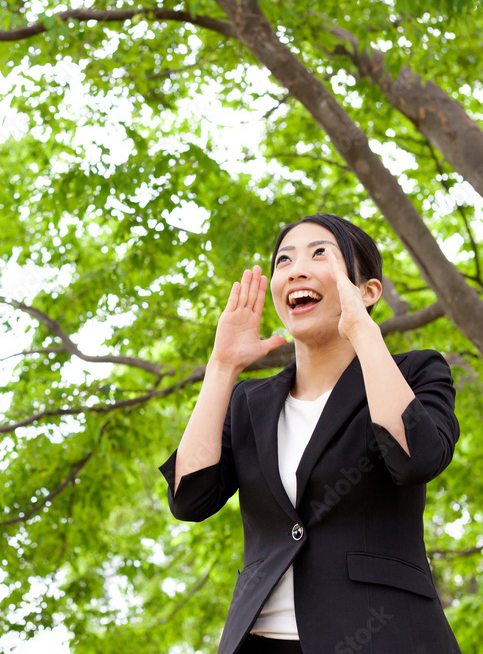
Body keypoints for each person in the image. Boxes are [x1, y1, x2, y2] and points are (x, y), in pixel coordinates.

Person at [159, 214, 462, 654]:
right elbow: (189, 498)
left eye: (320, 253)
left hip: (385, 636)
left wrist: (361, 328)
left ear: (368, 290)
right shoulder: (251, 402)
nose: (296, 268)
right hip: (258, 640)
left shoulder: (413, 373)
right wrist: (223, 366)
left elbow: (416, 459)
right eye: (284, 260)